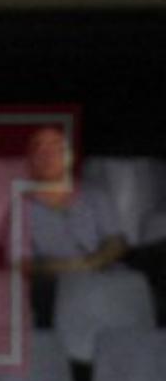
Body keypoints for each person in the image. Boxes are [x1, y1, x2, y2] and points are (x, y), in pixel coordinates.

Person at [12, 126, 166, 327]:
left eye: (56, 149)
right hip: (53, 279)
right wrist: (72, 268)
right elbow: (21, 264)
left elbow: (116, 240)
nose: (48, 156)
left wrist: (94, 263)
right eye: (40, 150)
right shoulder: (20, 208)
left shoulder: (94, 195)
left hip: (103, 266)